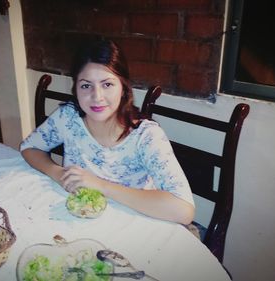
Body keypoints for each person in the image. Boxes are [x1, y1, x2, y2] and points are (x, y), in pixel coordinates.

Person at [20, 38, 194, 225]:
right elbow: (30, 147)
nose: (97, 97)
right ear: (75, 88)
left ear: (123, 88)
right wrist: (59, 174)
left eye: (107, 84)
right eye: (86, 85)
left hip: (133, 226)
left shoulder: (145, 136)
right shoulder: (68, 117)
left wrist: (100, 185)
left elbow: (183, 210)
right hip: (78, 221)